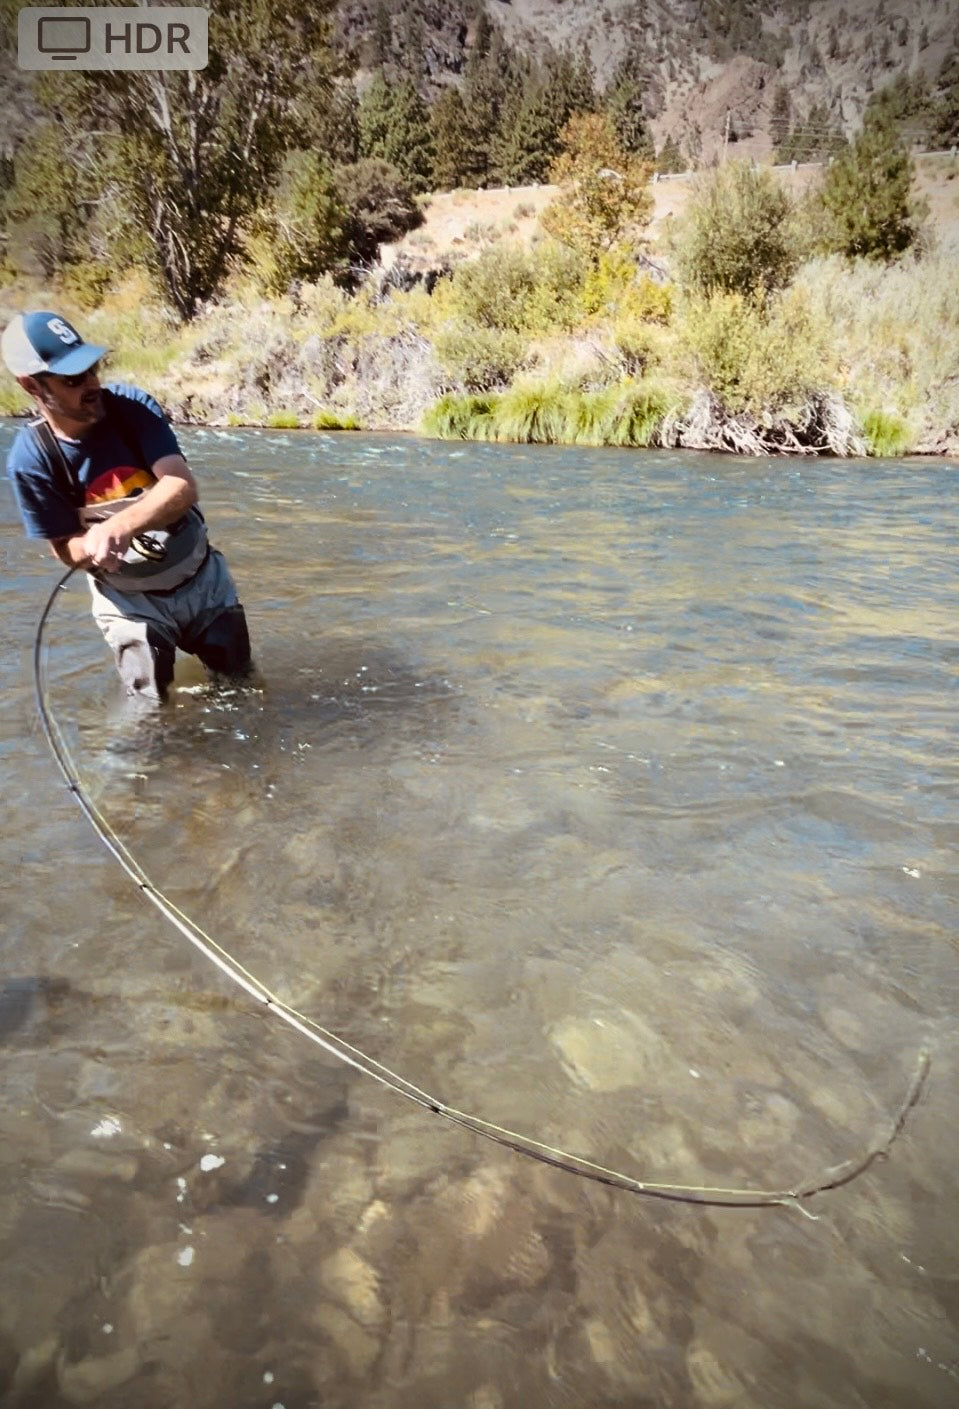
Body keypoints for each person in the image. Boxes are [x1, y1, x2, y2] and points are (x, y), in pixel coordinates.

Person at [3, 309, 253, 701]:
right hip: (129, 606)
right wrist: (90, 548)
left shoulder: (131, 407)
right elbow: (64, 547)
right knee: (149, 718)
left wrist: (119, 526)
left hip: (203, 584)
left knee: (243, 693)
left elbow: (180, 486)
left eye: (92, 368)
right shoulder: (31, 460)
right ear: (32, 386)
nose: (91, 383)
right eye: (73, 378)